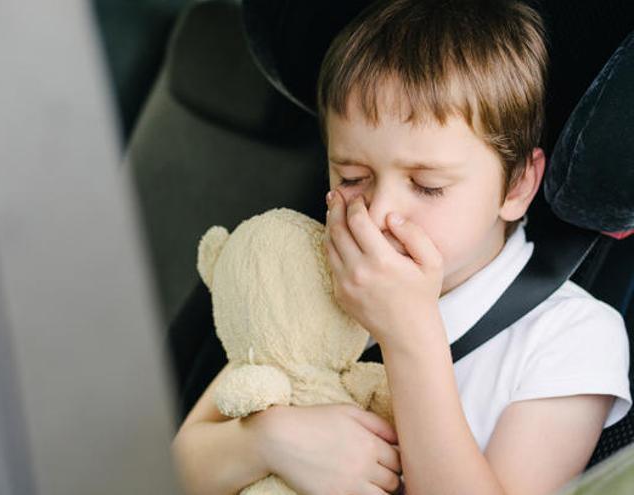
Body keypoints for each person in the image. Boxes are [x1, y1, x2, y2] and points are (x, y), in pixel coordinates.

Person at [171, 1, 631, 494]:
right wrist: (268, 441)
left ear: (517, 186)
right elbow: (178, 463)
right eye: (352, 177)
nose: (379, 211)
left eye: (428, 185)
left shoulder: (570, 338)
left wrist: (408, 332)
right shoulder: (316, 273)